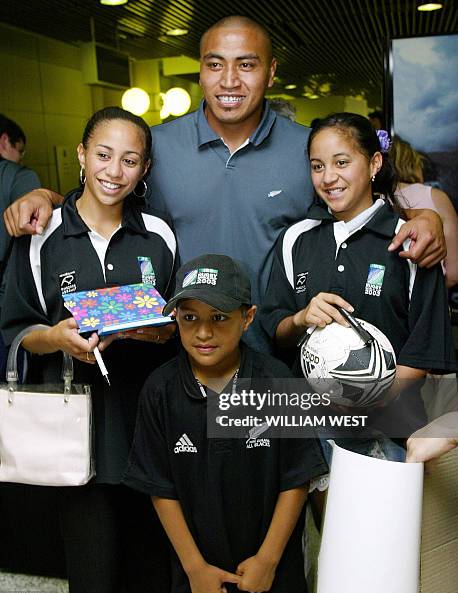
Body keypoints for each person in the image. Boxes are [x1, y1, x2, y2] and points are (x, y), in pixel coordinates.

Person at [3, 17, 446, 352]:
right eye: (215, 64)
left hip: (280, 358)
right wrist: (46, 195)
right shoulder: (158, 143)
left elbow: (354, 207)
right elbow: (104, 197)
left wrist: (423, 216)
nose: (229, 80)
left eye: (246, 65)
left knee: (282, 475)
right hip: (174, 356)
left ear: (271, 72)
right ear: (200, 70)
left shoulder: (306, 148)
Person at [1, 106, 178, 593]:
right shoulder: (41, 234)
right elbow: (18, 329)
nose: (113, 171)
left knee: (151, 578)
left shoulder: (159, 236)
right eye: (103, 155)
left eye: (129, 160)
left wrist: (150, 330)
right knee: (93, 581)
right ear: (82, 155)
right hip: (76, 440)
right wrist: (58, 338)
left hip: (147, 431)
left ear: (144, 170)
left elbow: (177, 328)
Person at [123, 253, 327, 593]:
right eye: (190, 318)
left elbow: (295, 479)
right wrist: (194, 567)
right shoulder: (161, 390)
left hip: (272, 582)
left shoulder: (277, 382)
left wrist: (268, 559)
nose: (203, 332)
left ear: (247, 318)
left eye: (219, 318)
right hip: (198, 585)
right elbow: (160, 487)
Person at [261, 113, 455, 463]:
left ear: (374, 163)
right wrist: (302, 317)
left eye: (342, 162)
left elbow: (424, 351)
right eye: (317, 166)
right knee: (316, 520)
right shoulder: (295, 239)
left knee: (384, 519)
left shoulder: (411, 240)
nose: (328, 177)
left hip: (392, 434)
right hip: (307, 432)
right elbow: (277, 330)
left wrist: (360, 396)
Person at [0, 114, 40, 376]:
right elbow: (35, 233)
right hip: (6, 309)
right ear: (5, 142)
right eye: (20, 151)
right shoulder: (18, 177)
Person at [391, 135, 458, 287]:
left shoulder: (370, 198)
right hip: (427, 306)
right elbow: (454, 272)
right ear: (412, 163)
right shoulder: (435, 196)